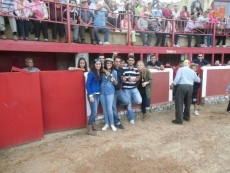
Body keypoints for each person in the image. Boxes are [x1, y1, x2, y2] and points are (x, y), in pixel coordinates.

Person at [170, 60, 201, 125]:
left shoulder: (181, 69)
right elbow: (198, 80)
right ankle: (187, 117)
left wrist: (173, 84)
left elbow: (177, 78)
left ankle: (179, 120)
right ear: (189, 64)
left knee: (179, 102)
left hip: (182, 86)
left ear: (184, 63)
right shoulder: (192, 71)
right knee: (188, 102)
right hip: (190, 87)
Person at [122, 55, 142, 124]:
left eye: (132, 60)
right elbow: (121, 78)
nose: (131, 61)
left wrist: (134, 79)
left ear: (134, 61)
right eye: (129, 60)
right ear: (127, 61)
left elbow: (138, 78)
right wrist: (123, 79)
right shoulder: (123, 68)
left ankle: (128, 103)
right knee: (129, 105)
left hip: (134, 88)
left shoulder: (136, 69)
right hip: (126, 89)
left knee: (139, 100)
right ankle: (131, 118)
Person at [100, 58, 118, 131]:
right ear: (105, 64)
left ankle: (112, 124)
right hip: (102, 91)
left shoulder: (114, 72)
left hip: (110, 91)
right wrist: (104, 70)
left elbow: (116, 83)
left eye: (110, 63)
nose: (109, 65)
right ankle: (106, 123)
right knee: (104, 109)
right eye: (108, 63)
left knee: (109, 108)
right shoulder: (101, 71)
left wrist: (114, 80)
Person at [85, 58, 102, 136]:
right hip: (93, 94)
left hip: (98, 93)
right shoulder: (91, 73)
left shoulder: (99, 72)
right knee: (94, 112)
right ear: (94, 65)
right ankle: (89, 129)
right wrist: (90, 95)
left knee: (94, 111)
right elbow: (87, 84)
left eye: (99, 64)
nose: (98, 65)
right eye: (97, 64)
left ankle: (94, 126)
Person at [112, 56, 129, 129]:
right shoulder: (111, 68)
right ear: (114, 61)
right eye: (116, 61)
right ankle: (117, 123)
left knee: (126, 101)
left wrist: (123, 80)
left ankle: (114, 107)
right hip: (112, 92)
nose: (118, 63)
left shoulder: (121, 69)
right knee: (114, 108)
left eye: (119, 61)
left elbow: (122, 79)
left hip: (119, 90)